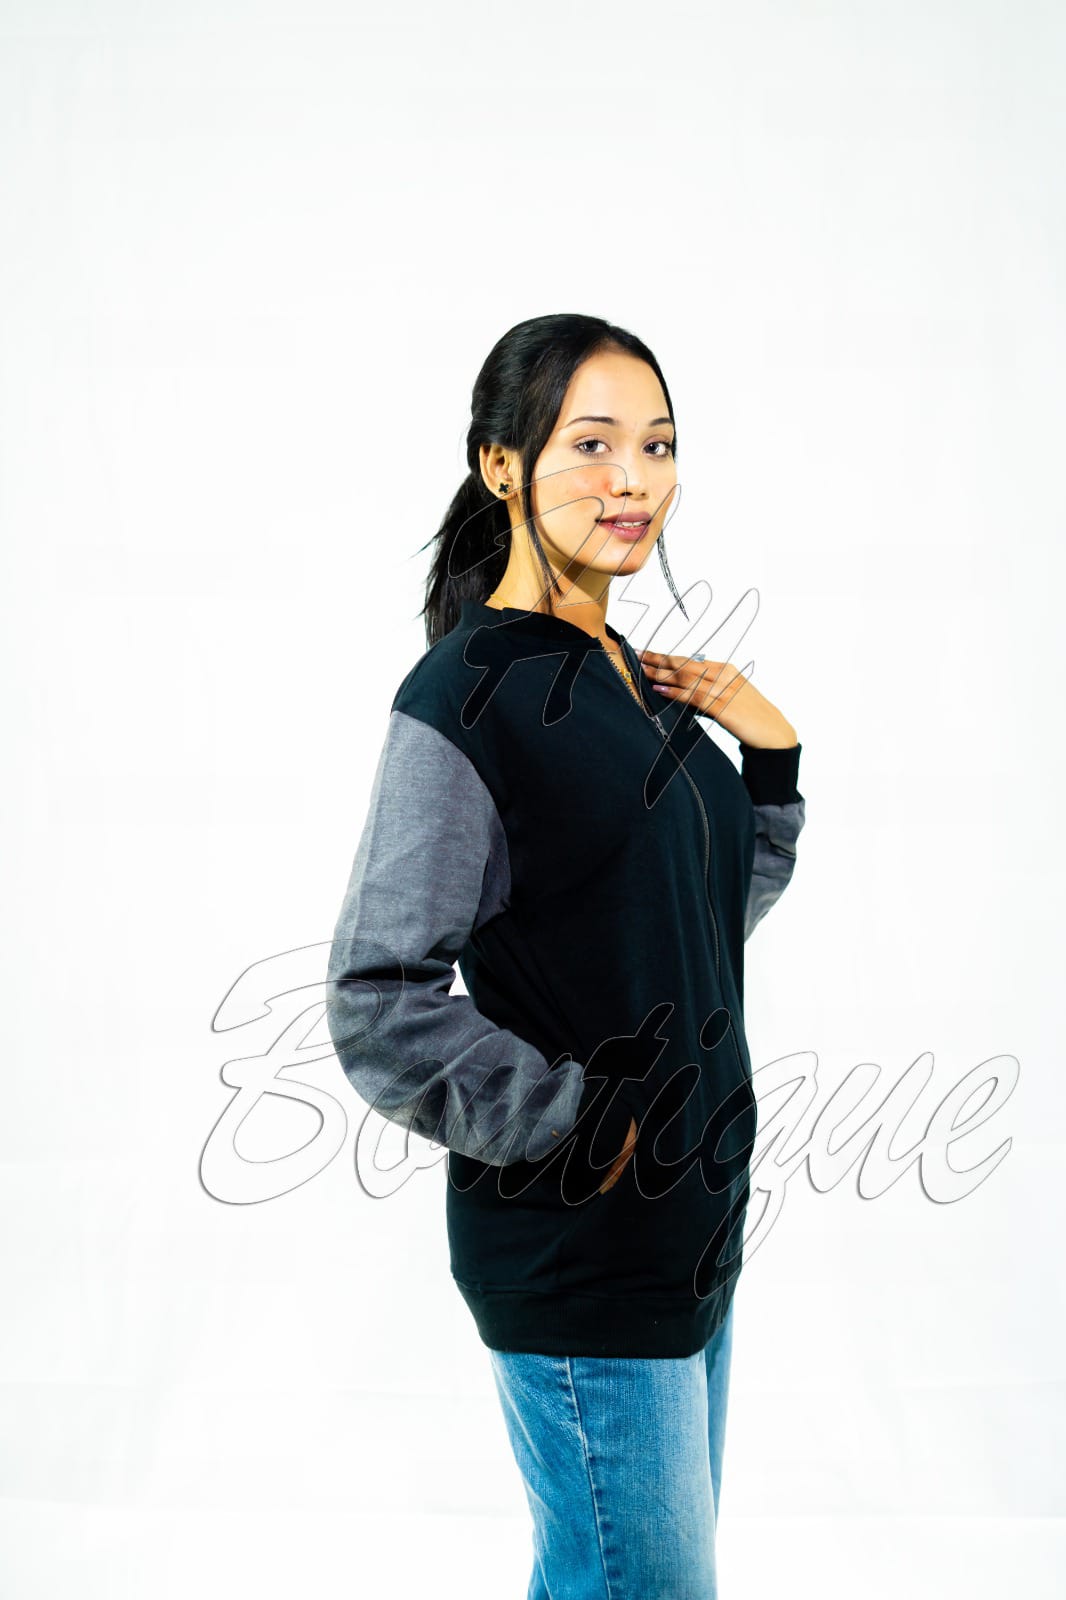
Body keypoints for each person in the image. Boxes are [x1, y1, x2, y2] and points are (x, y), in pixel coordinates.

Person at [325, 313, 806, 1598]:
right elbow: (377, 998)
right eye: (590, 444)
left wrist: (769, 765)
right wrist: (579, 1123)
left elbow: (684, 919)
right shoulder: (466, 695)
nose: (632, 479)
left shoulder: (631, 678)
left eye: (657, 444)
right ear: (500, 465)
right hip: (581, 1246)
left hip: (689, 1235)